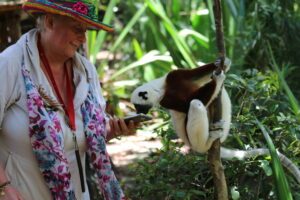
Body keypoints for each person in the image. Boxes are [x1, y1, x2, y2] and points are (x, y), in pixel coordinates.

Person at [0, 0, 138, 199]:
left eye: (86, 31)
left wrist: (109, 131)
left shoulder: (86, 72)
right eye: (76, 29)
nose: (82, 39)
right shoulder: (10, 64)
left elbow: (78, 135)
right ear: (49, 22)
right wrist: (4, 187)